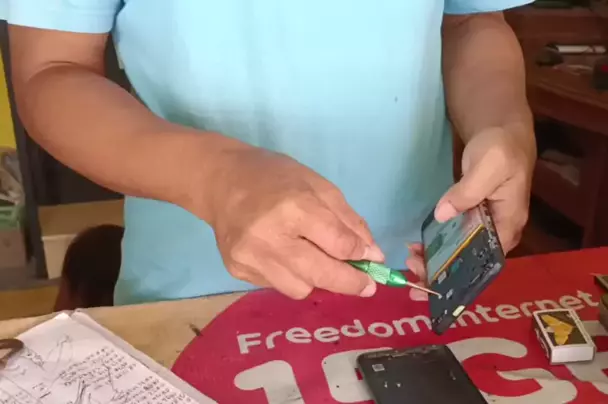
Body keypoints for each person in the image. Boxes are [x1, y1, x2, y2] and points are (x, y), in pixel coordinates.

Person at [4, 0, 536, 306]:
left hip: (418, 284)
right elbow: (50, 71)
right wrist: (213, 178)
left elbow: (471, 21)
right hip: (197, 301)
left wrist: (504, 125)